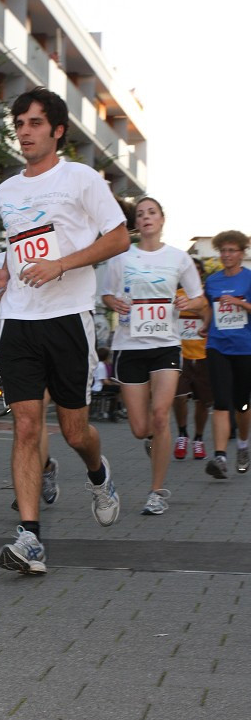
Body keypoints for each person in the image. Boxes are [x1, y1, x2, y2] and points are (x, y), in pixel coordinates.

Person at [0, 87, 130, 576]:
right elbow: (19, 247)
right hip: (19, 321)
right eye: (19, 123)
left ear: (57, 130)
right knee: (26, 425)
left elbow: (118, 235)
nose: (24, 131)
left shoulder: (81, 179)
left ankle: (98, 473)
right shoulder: (6, 191)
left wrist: (61, 265)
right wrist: (3, 272)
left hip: (68, 318)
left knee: (74, 432)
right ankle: (30, 538)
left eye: (34, 123)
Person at [102, 196, 205, 515]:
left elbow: (200, 299)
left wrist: (189, 304)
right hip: (129, 347)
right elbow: (106, 294)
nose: (146, 217)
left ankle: (156, 492)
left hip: (165, 346)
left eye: (152, 213)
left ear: (162, 220)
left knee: (161, 416)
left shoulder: (178, 258)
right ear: (136, 222)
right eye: (141, 213)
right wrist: (113, 303)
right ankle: (154, 441)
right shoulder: (120, 258)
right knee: (139, 427)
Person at [0, 251, 59, 508]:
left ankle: (28, 489)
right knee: (25, 422)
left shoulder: (55, 253)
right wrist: (3, 293)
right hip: (14, 346)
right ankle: (43, 469)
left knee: (37, 414)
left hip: (52, 344)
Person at [201, 230, 251, 479]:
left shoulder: (249, 279)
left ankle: (243, 444)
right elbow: (209, 308)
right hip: (217, 345)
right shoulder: (212, 281)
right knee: (221, 400)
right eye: (223, 250)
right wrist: (204, 324)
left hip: (245, 348)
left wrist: (240, 303)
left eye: (232, 250)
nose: (227, 255)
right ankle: (220, 456)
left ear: (242, 253)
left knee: (242, 403)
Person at [172, 258, 213, 460]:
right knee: (178, 398)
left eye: (197, 271)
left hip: (204, 355)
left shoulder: (207, 295)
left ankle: (198, 438)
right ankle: (182, 434)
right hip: (181, 355)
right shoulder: (176, 295)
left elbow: (212, 315)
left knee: (202, 402)